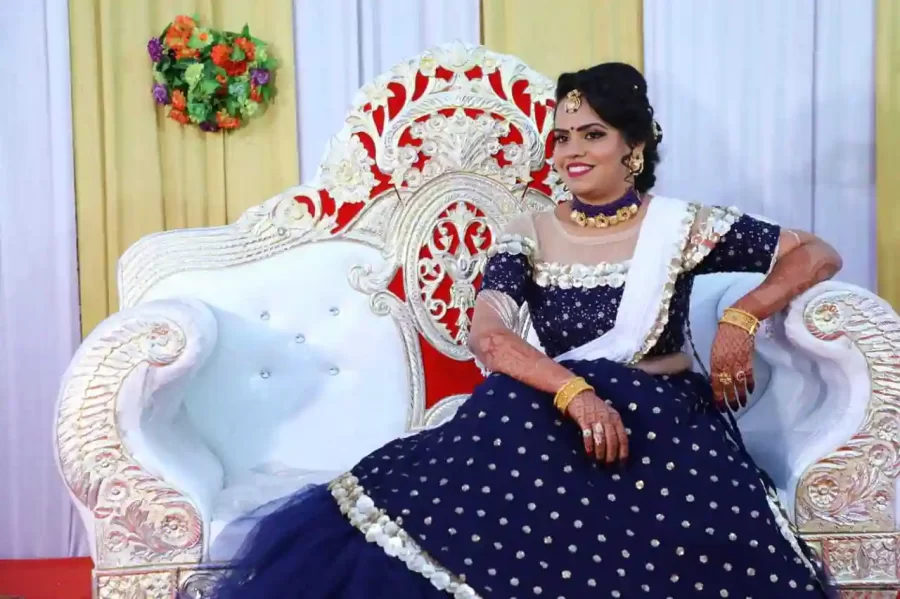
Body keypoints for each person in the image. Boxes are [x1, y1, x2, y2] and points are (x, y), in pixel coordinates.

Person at [210, 63, 842, 599]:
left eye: (592, 134)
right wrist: (575, 394)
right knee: (447, 500)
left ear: (634, 147)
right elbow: (489, 335)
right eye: (562, 137)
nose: (571, 152)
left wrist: (742, 315)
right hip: (553, 406)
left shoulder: (684, 226)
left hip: (660, 419)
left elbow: (816, 253)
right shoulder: (529, 231)